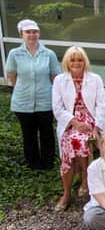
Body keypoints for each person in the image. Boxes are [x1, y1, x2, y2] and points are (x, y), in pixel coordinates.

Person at [52, 46, 105, 211]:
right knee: (71, 142)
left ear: (85, 62)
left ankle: (84, 178)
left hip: (90, 119)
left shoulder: (95, 78)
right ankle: (67, 192)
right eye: (73, 60)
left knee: (81, 140)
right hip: (70, 122)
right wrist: (74, 123)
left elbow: (102, 105)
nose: (76, 63)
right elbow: (57, 108)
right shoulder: (60, 80)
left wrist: (97, 126)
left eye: (80, 59)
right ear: (67, 63)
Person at [6, 19, 61, 170]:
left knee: (47, 133)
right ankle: (33, 163)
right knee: (28, 134)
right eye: (28, 32)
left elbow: (55, 77)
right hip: (23, 102)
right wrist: (23, 89)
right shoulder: (14, 54)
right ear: (21, 34)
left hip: (45, 100)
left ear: (39, 33)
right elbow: (12, 75)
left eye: (35, 32)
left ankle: (48, 161)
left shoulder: (48, 54)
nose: (32, 35)